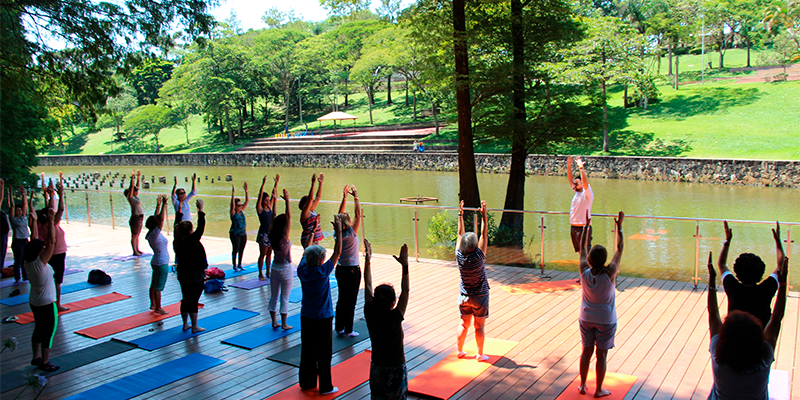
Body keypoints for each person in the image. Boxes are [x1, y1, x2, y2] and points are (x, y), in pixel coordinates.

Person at [707, 249, 787, 399]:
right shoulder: (764, 358)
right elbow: (776, 318)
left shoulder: (718, 352)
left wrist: (712, 280)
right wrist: (782, 283)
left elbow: (713, 313)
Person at [577, 211, 624, 398]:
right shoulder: (610, 273)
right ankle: (598, 389)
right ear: (604, 259)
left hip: (586, 318)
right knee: (601, 355)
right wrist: (619, 227)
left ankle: (582, 385)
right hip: (606, 320)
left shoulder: (584, 272)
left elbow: (582, 250)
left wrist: (586, 227)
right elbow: (620, 248)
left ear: (590, 260)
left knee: (586, 352)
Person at [297, 214, 343, 395]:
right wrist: (338, 230)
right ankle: (326, 386)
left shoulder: (302, 269)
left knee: (308, 350)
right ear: (320, 261)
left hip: (306, 316)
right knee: (324, 352)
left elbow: (305, 250)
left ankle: (307, 382)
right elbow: (337, 252)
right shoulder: (323, 271)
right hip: (322, 317)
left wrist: (312, 230)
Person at [364, 240, 410, 400]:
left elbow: (368, 285)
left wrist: (368, 260)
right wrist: (405, 266)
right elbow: (406, 291)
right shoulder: (394, 318)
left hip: (377, 368)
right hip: (395, 369)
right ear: (393, 302)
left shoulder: (370, 314)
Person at [717, 221, 782, 328]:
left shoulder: (733, 287)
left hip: (734, 335)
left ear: (737, 273)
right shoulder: (766, 289)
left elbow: (721, 264)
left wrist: (727, 241)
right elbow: (780, 267)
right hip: (760, 337)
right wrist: (778, 242)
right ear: (761, 273)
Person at [24, 206, 60, 372]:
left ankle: (35, 357)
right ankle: (45, 362)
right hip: (47, 303)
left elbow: (34, 240)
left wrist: (34, 223)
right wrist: (51, 222)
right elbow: (52, 242)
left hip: (35, 301)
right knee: (49, 331)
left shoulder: (28, 261)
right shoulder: (40, 263)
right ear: (40, 252)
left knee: (38, 327)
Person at [455, 199, 490, 361]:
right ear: (475, 246)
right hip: (480, 297)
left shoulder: (459, 255)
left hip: (464, 295)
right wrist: (484, 217)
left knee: (464, 324)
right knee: (479, 326)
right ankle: (480, 354)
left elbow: (459, 234)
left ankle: (460, 350)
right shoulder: (479, 256)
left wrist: (460, 214)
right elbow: (484, 234)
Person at [173, 199, 207, 333]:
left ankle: (185, 324)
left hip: (183, 274)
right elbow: (201, 226)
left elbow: (177, 225)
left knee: (186, 298)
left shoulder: (177, 241)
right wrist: (200, 209)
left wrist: (179, 211)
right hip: (195, 274)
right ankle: (194, 326)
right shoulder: (191, 240)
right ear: (189, 231)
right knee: (193, 299)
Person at [335, 184, 363, 337]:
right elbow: (358, 214)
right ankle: (349, 329)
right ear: (348, 222)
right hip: (352, 270)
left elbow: (339, 215)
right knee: (350, 301)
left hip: (340, 269)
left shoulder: (337, 233)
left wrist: (344, 198)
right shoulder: (351, 233)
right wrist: (356, 197)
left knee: (341, 299)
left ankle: (339, 327)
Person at [268, 189, 293, 329]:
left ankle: (274, 321)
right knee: (284, 297)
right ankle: (284, 323)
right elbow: (289, 217)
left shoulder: (272, 234)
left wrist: (276, 201)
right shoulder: (285, 237)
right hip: (285, 269)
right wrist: (287, 201)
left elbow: (273, 217)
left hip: (274, 268)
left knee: (274, 296)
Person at [145, 195, 170, 315]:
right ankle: (158, 308)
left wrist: (158, 205)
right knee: (158, 286)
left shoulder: (151, 233)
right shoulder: (155, 233)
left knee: (154, 284)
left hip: (156, 261)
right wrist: (164, 205)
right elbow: (160, 220)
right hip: (161, 263)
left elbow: (156, 218)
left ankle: (153, 304)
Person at [567, 155, 593, 252]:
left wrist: (581, 168)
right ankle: (584, 267)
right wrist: (568, 166)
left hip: (583, 228)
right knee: (579, 252)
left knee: (585, 252)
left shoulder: (587, 194)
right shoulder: (577, 193)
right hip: (574, 227)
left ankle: (589, 267)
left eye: (577, 184)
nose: (574, 185)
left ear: (582, 183)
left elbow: (585, 183)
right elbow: (570, 180)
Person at [256, 174, 279, 281]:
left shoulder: (269, 207)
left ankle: (268, 272)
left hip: (270, 234)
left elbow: (274, 195)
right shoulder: (260, 209)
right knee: (263, 254)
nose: (268, 201)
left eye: (268, 200)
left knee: (269, 254)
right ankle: (260, 273)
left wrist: (276, 183)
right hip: (263, 234)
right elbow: (259, 196)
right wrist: (263, 184)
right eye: (266, 200)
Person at [10, 185, 31, 283]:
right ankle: (17, 278)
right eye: (17, 211)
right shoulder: (13, 219)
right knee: (18, 260)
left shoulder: (23, 217)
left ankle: (25, 276)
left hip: (25, 240)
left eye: (20, 210)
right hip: (17, 241)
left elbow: (24, 205)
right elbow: (12, 206)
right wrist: (10, 192)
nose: (19, 211)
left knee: (25, 260)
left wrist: (24, 194)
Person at [299, 173, 324, 248]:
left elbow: (318, 197)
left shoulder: (312, 210)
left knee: (316, 258)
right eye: (310, 202)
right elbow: (311, 199)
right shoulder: (305, 213)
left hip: (315, 239)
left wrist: (320, 184)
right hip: (308, 239)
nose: (313, 202)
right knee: (310, 258)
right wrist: (313, 184)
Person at [229, 182, 249, 271]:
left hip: (243, 233)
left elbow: (247, 201)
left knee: (242, 249)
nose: (240, 206)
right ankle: (234, 265)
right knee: (235, 249)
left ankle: (240, 264)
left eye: (241, 205)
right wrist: (233, 193)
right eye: (238, 205)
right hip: (235, 233)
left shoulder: (241, 211)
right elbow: (232, 205)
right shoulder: (233, 213)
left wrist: (246, 191)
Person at [125, 170, 145, 256]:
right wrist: (132, 178)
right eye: (135, 191)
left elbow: (137, 186)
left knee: (137, 235)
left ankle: (137, 249)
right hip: (135, 218)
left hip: (140, 217)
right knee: (134, 235)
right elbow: (132, 187)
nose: (137, 192)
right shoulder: (131, 198)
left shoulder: (135, 198)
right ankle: (135, 251)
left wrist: (138, 177)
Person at [0, 179, 9, 270]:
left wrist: (2, 187)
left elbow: (1, 198)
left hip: (3, 232)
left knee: (2, 252)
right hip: (2, 233)